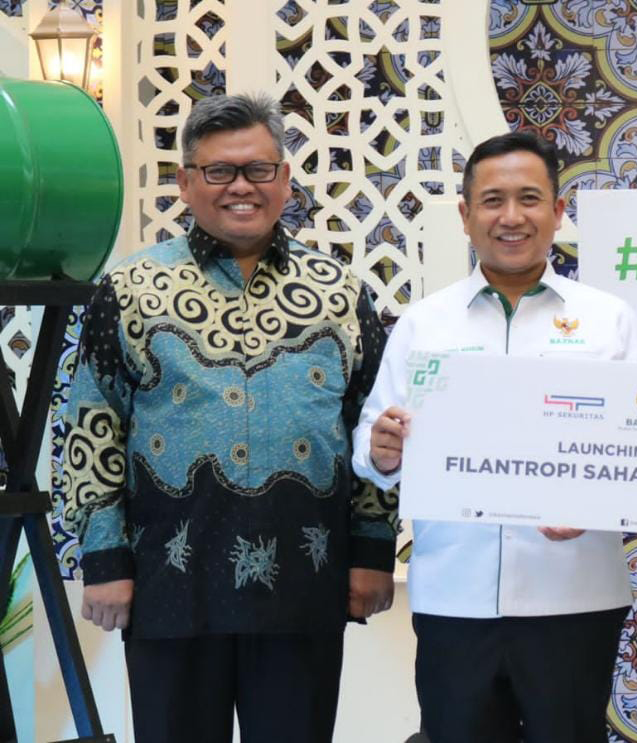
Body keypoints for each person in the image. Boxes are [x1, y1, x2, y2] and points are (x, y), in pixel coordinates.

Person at [62, 93, 397, 743]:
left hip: (304, 586)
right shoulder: (130, 289)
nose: (241, 186)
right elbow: (92, 426)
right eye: (219, 171)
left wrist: (373, 550)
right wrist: (103, 559)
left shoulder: (340, 292)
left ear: (285, 179)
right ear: (186, 182)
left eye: (258, 169)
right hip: (169, 587)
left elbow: (374, 429)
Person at [352, 131, 637, 743]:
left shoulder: (610, 321)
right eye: (492, 200)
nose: (511, 217)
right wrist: (378, 451)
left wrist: (597, 504)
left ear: (558, 211)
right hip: (454, 599)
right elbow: (371, 440)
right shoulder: (424, 324)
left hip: (573, 598)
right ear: (465, 216)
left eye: (529, 198)